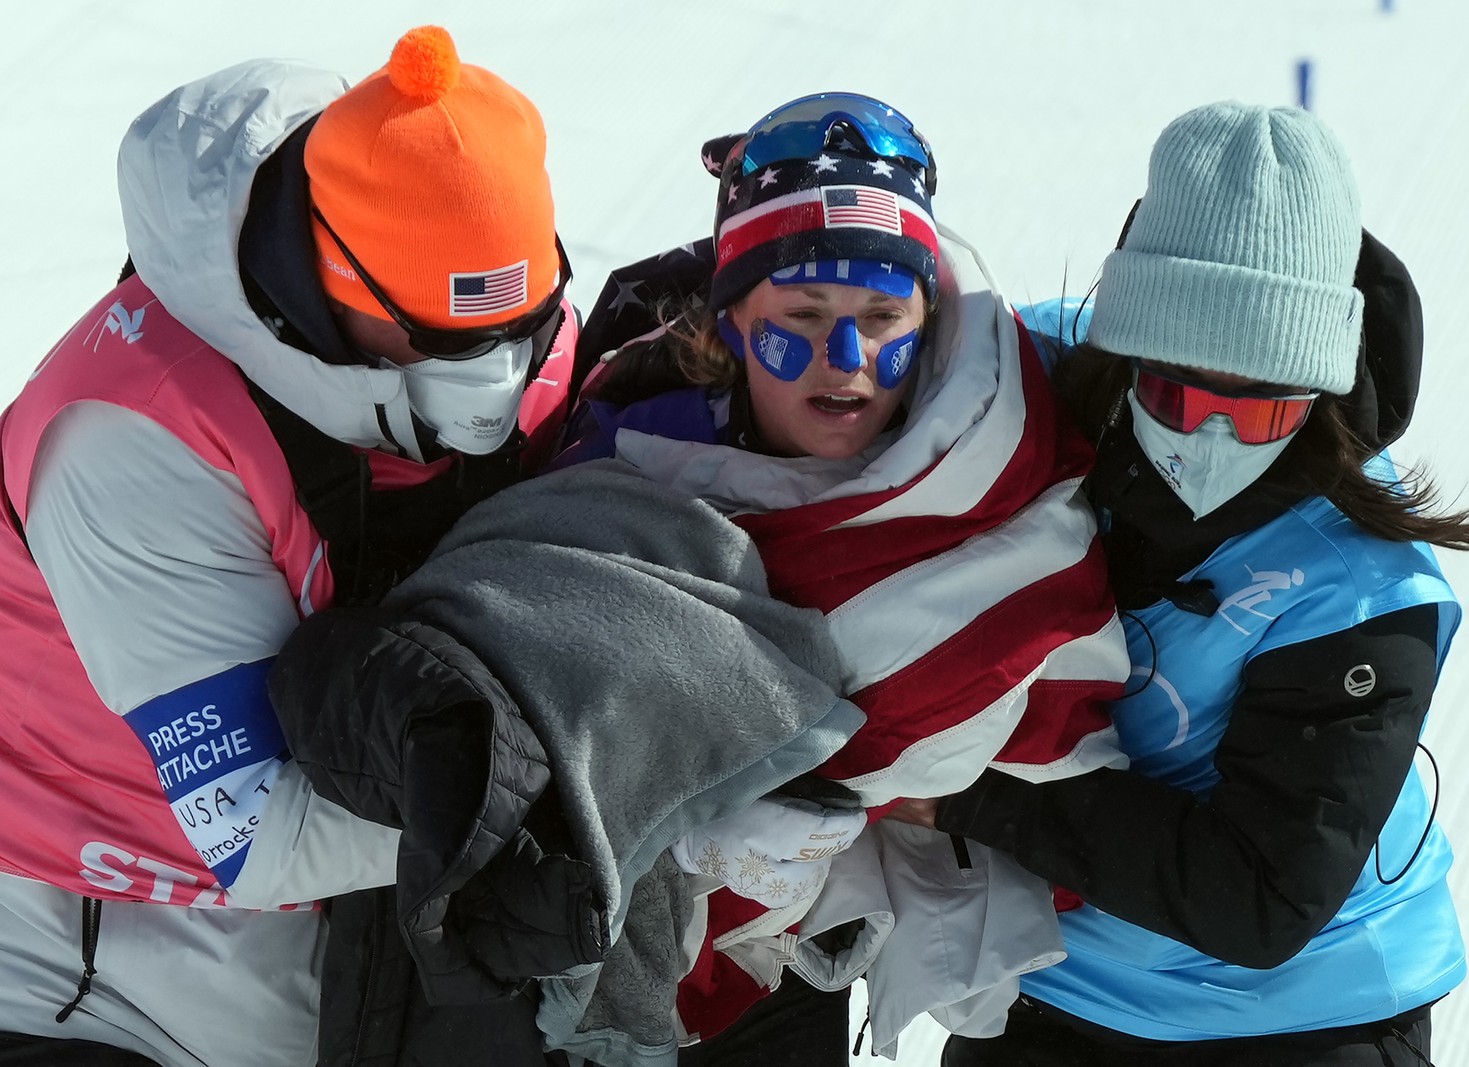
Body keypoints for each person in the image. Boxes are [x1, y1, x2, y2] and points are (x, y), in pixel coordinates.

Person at [0, 26, 577, 1067]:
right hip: (89, 929)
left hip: (346, 900)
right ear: (329, 291)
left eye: (518, 326)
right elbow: (259, 831)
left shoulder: (506, 319)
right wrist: (597, 813)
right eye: (442, 343)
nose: (494, 379)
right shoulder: (135, 438)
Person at [553, 93, 1132, 1062]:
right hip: (608, 963)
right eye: (803, 317)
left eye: (880, 317)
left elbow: (1032, 658)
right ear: (733, 318)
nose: (848, 359)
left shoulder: (988, 465)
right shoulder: (623, 458)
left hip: (790, 971)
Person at [914, 102, 1469, 1066]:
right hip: (1058, 983)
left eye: (1259, 412)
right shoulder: (1036, 386)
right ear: (1128, 352)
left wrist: (966, 796)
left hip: (1302, 1014)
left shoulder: (1361, 589)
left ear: (1317, 397)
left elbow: (1261, 894)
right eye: (1179, 395)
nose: (1208, 441)